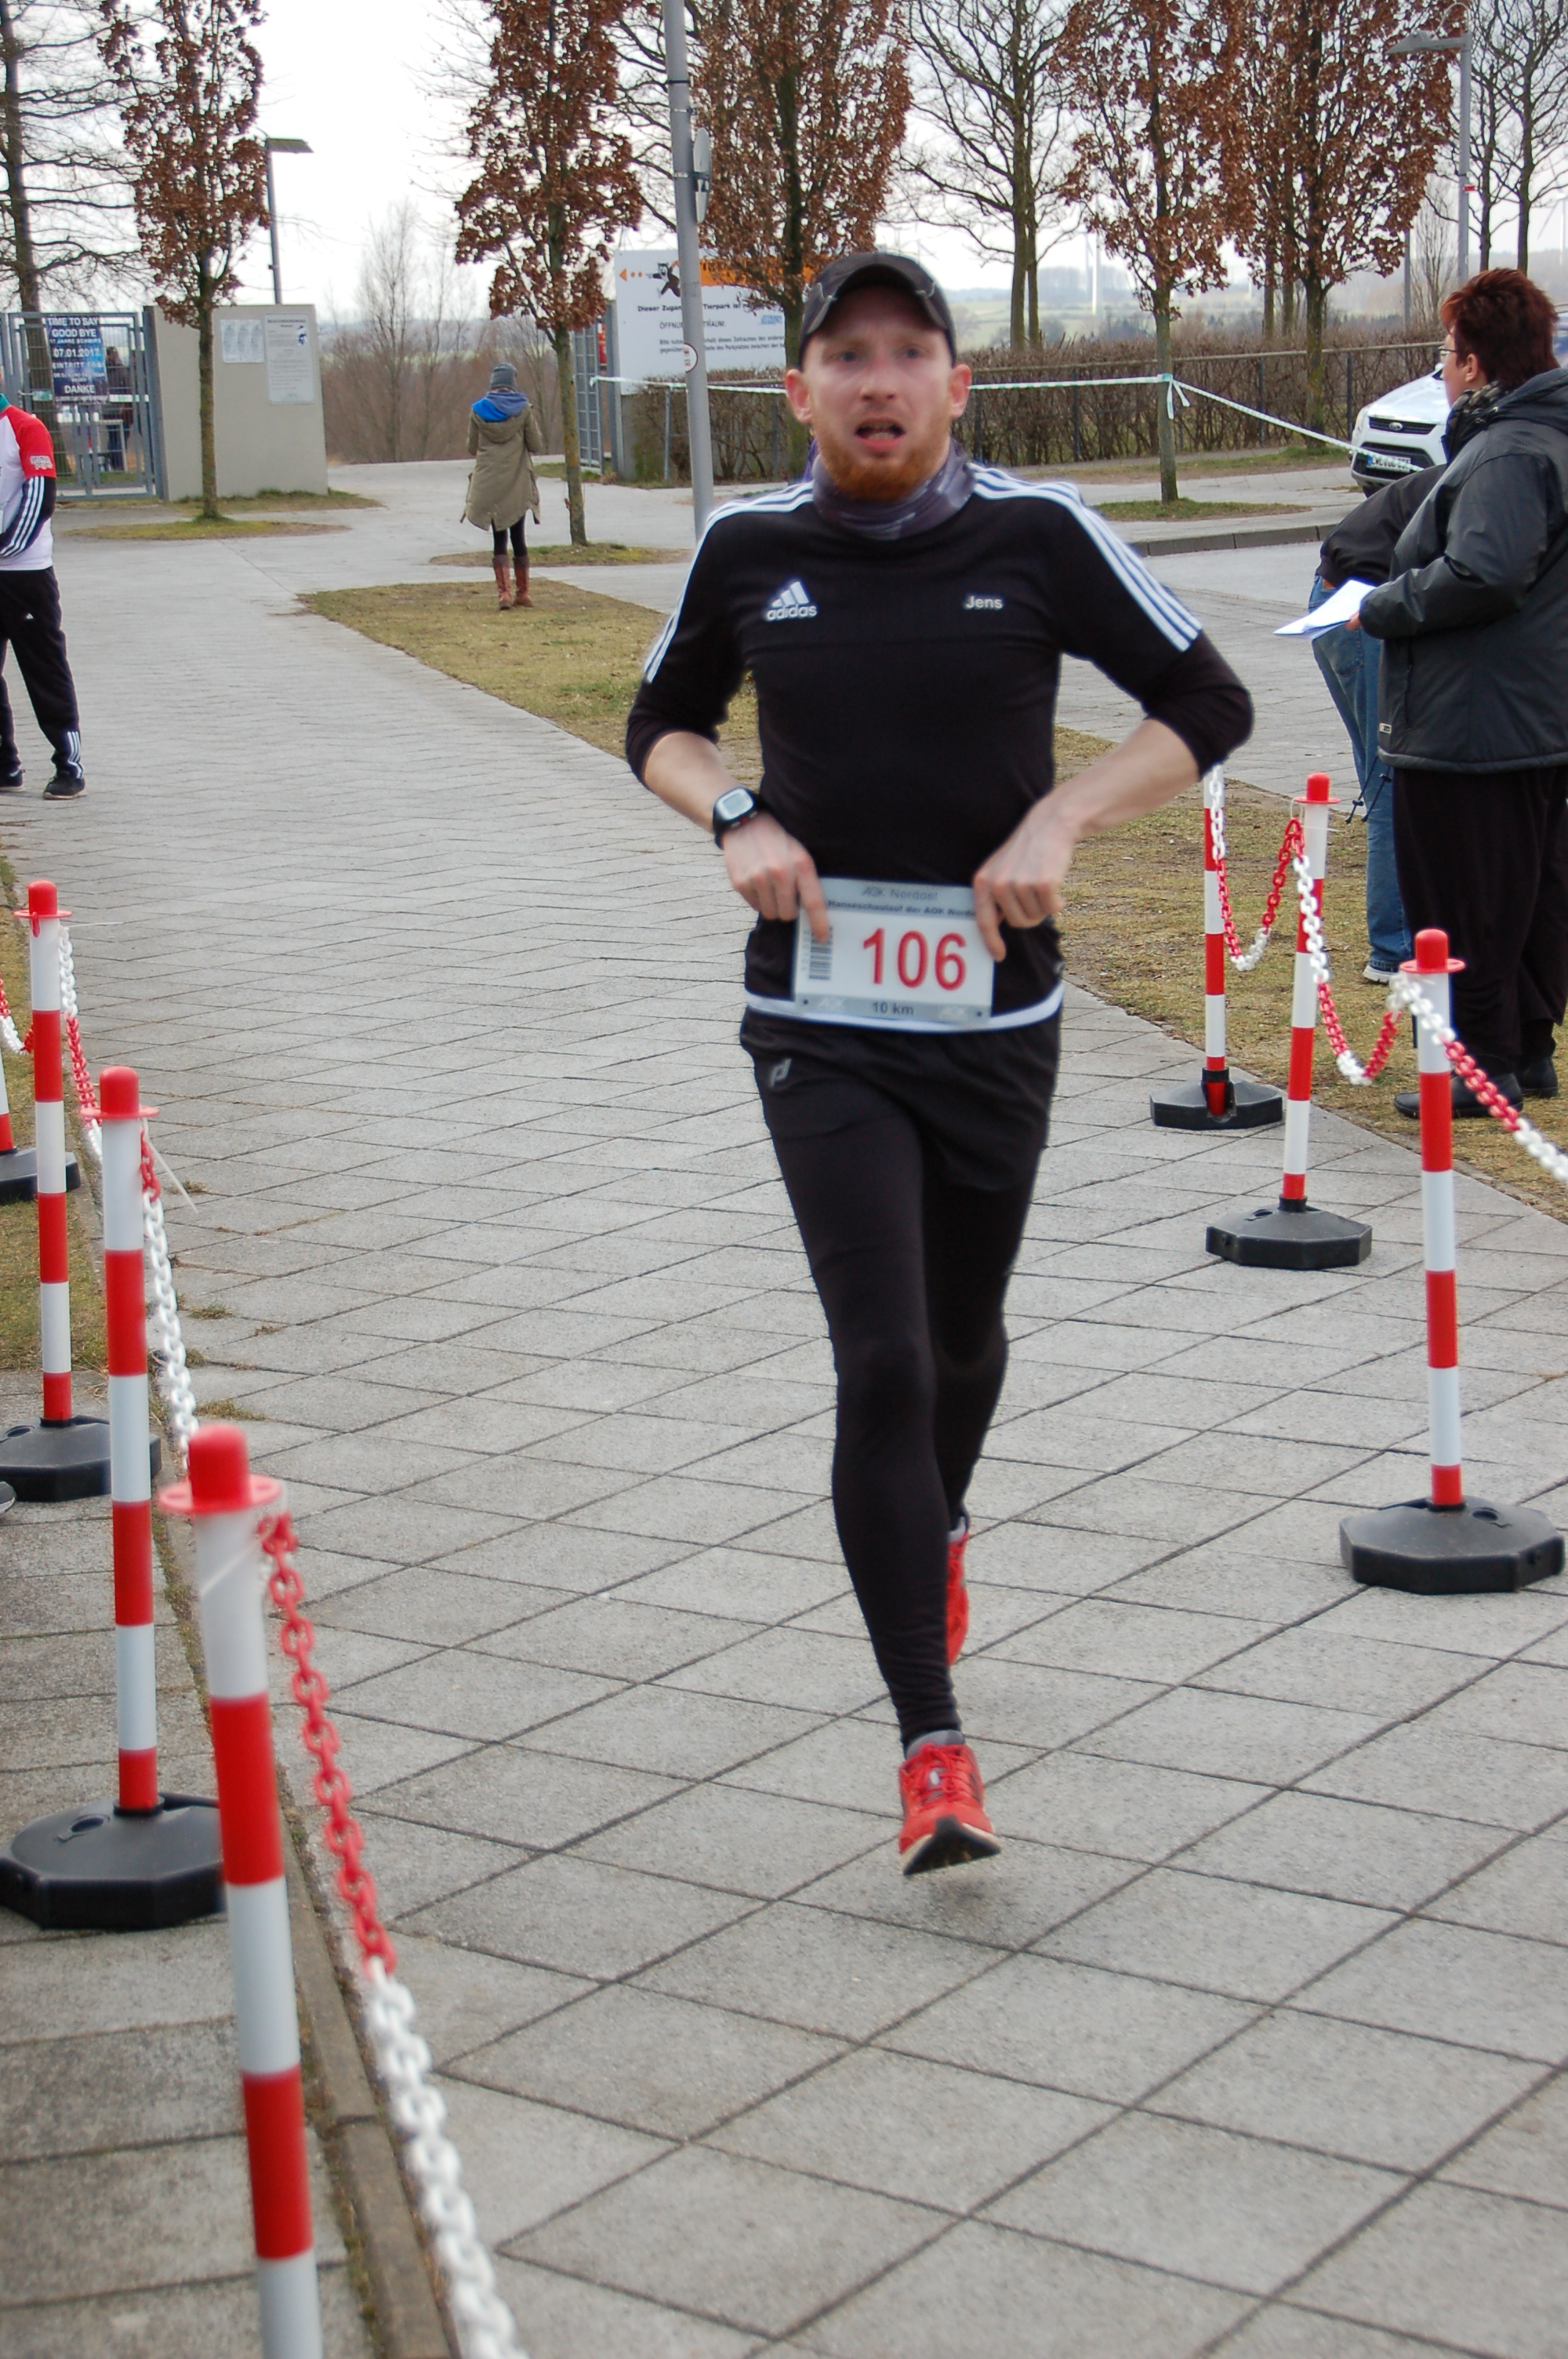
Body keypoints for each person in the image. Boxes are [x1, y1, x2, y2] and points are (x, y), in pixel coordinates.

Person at [626, 253, 1252, 1874]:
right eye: (848, 355)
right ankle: (931, 1743)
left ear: (957, 386)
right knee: (888, 1361)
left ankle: (940, 1520)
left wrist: (1063, 814)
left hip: (995, 1025)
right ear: (799, 392)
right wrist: (732, 815)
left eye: (911, 351)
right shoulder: (748, 548)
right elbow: (660, 724)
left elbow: (1209, 695)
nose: (880, 379)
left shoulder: (1038, 537)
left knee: (963, 1345)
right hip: (819, 1017)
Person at [1353, 269, 1568, 1113]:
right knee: (1525, 887)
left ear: (1474, 364)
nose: (1442, 371)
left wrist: (1381, 605)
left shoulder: (1509, 451)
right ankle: (1523, 1047)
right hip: (1520, 713)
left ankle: (1474, 1067)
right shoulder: (1538, 438)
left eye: (1447, 355)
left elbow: (1485, 570)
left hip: (1473, 721)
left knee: (1460, 897)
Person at [1308, 471, 1430, 982]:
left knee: (1385, 776)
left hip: (1345, 596)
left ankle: (1401, 936)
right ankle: (1393, 949)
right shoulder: (1504, 474)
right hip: (1358, 606)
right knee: (1390, 779)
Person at [0, 401, 85, 798]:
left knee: (44, 669)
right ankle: (6, 765)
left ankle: (69, 766)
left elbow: (40, 502)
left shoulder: (25, 428)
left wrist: (5, 548)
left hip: (26, 576)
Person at [464, 362, 543, 611]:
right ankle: (524, 593)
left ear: (493, 384)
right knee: (518, 536)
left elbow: (471, 447)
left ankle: (504, 594)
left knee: (499, 537)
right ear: (512, 384)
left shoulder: (478, 411)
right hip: (517, 482)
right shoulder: (524, 410)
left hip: (490, 483)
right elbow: (536, 444)